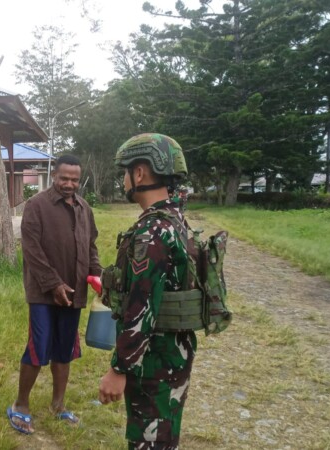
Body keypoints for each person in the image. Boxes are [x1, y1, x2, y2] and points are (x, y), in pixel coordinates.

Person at [98, 133, 196, 449]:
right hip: (172, 353)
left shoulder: (152, 231)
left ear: (139, 173)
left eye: (125, 172)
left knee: (151, 442)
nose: (123, 179)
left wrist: (119, 368)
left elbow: (142, 308)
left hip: (154, 361)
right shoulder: (175, 219)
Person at [7, 154, 102, 435]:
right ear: (54, 177)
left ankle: (58, 406)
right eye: (64, 178)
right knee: (39, 346)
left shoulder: (85, 208)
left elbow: (91, 247)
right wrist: (54, 284)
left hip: (75, 293)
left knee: (65, 350)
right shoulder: (37, 206)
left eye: (74, 179)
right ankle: (20, 404)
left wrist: (98, 276)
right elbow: (32, 251)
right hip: (43, 293)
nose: (69, 184)